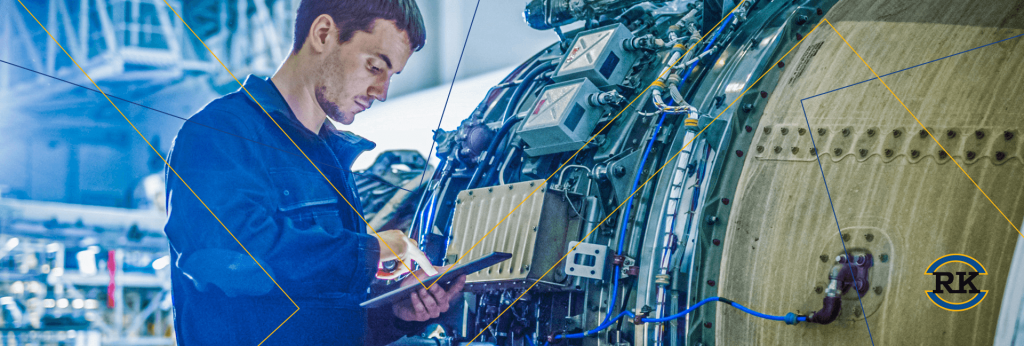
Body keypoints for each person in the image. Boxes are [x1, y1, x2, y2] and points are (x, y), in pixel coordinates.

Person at [163, 0, 465, 345]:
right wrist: (368, 251)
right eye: (374, 67)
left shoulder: (331, 159)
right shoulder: (218, 134)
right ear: (323, 34)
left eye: (391, 76)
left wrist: (395, 314)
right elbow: (228, 259)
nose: (382, 92)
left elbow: (330, 316)